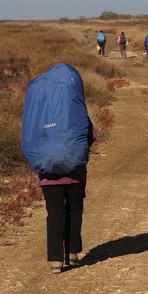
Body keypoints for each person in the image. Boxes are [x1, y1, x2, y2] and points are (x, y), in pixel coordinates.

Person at [21, 64, 96, 274]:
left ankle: (55, 260)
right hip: (76, 173)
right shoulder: (75, 111)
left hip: (48, 175)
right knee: (75, 209)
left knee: (54, 213)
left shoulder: (39, 115)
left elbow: (30, 138)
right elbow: (90, 136)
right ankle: (72, 253)